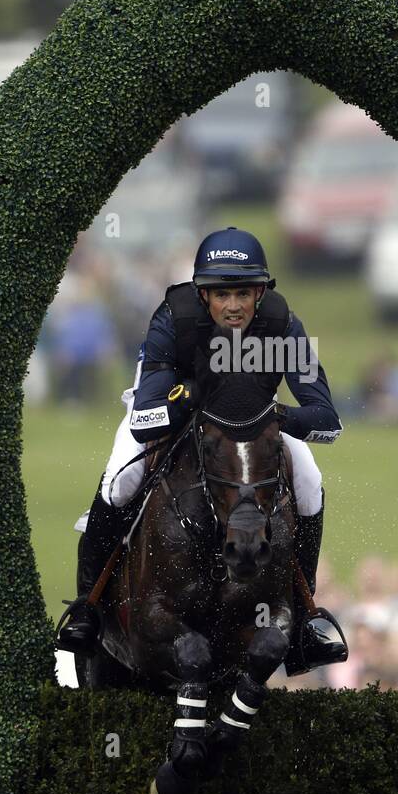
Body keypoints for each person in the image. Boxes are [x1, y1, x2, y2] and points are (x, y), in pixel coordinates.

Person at [57, 227, 347, 673]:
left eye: (244, 293)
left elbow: (327, 421)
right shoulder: (175, 317)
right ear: (202, 294)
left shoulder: (281, 323)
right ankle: (88, 608)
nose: (233, 306)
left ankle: (305, 617)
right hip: (176, 415)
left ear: (261, 292)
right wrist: (193, 398)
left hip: (256, 424)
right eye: (221, 294)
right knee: (120, 482)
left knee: (310, 483)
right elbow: (142, 419)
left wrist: (272, 417)